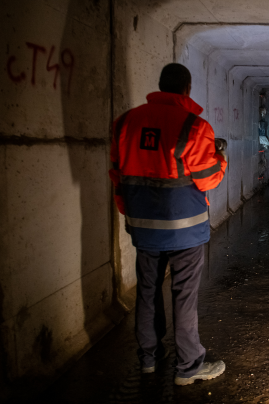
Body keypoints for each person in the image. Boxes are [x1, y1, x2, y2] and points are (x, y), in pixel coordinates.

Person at [109, 63, 228, 386]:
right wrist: (221, 157)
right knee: (183, 295)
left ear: (159, 86)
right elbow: (207, 179)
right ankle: (188, 367)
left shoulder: (124, 123)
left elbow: (117, 174)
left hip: (144, 227)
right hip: (185, 230)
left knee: (147, 292)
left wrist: (130, 214)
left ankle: (149, 357)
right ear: (186, 89)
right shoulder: (194, 126)